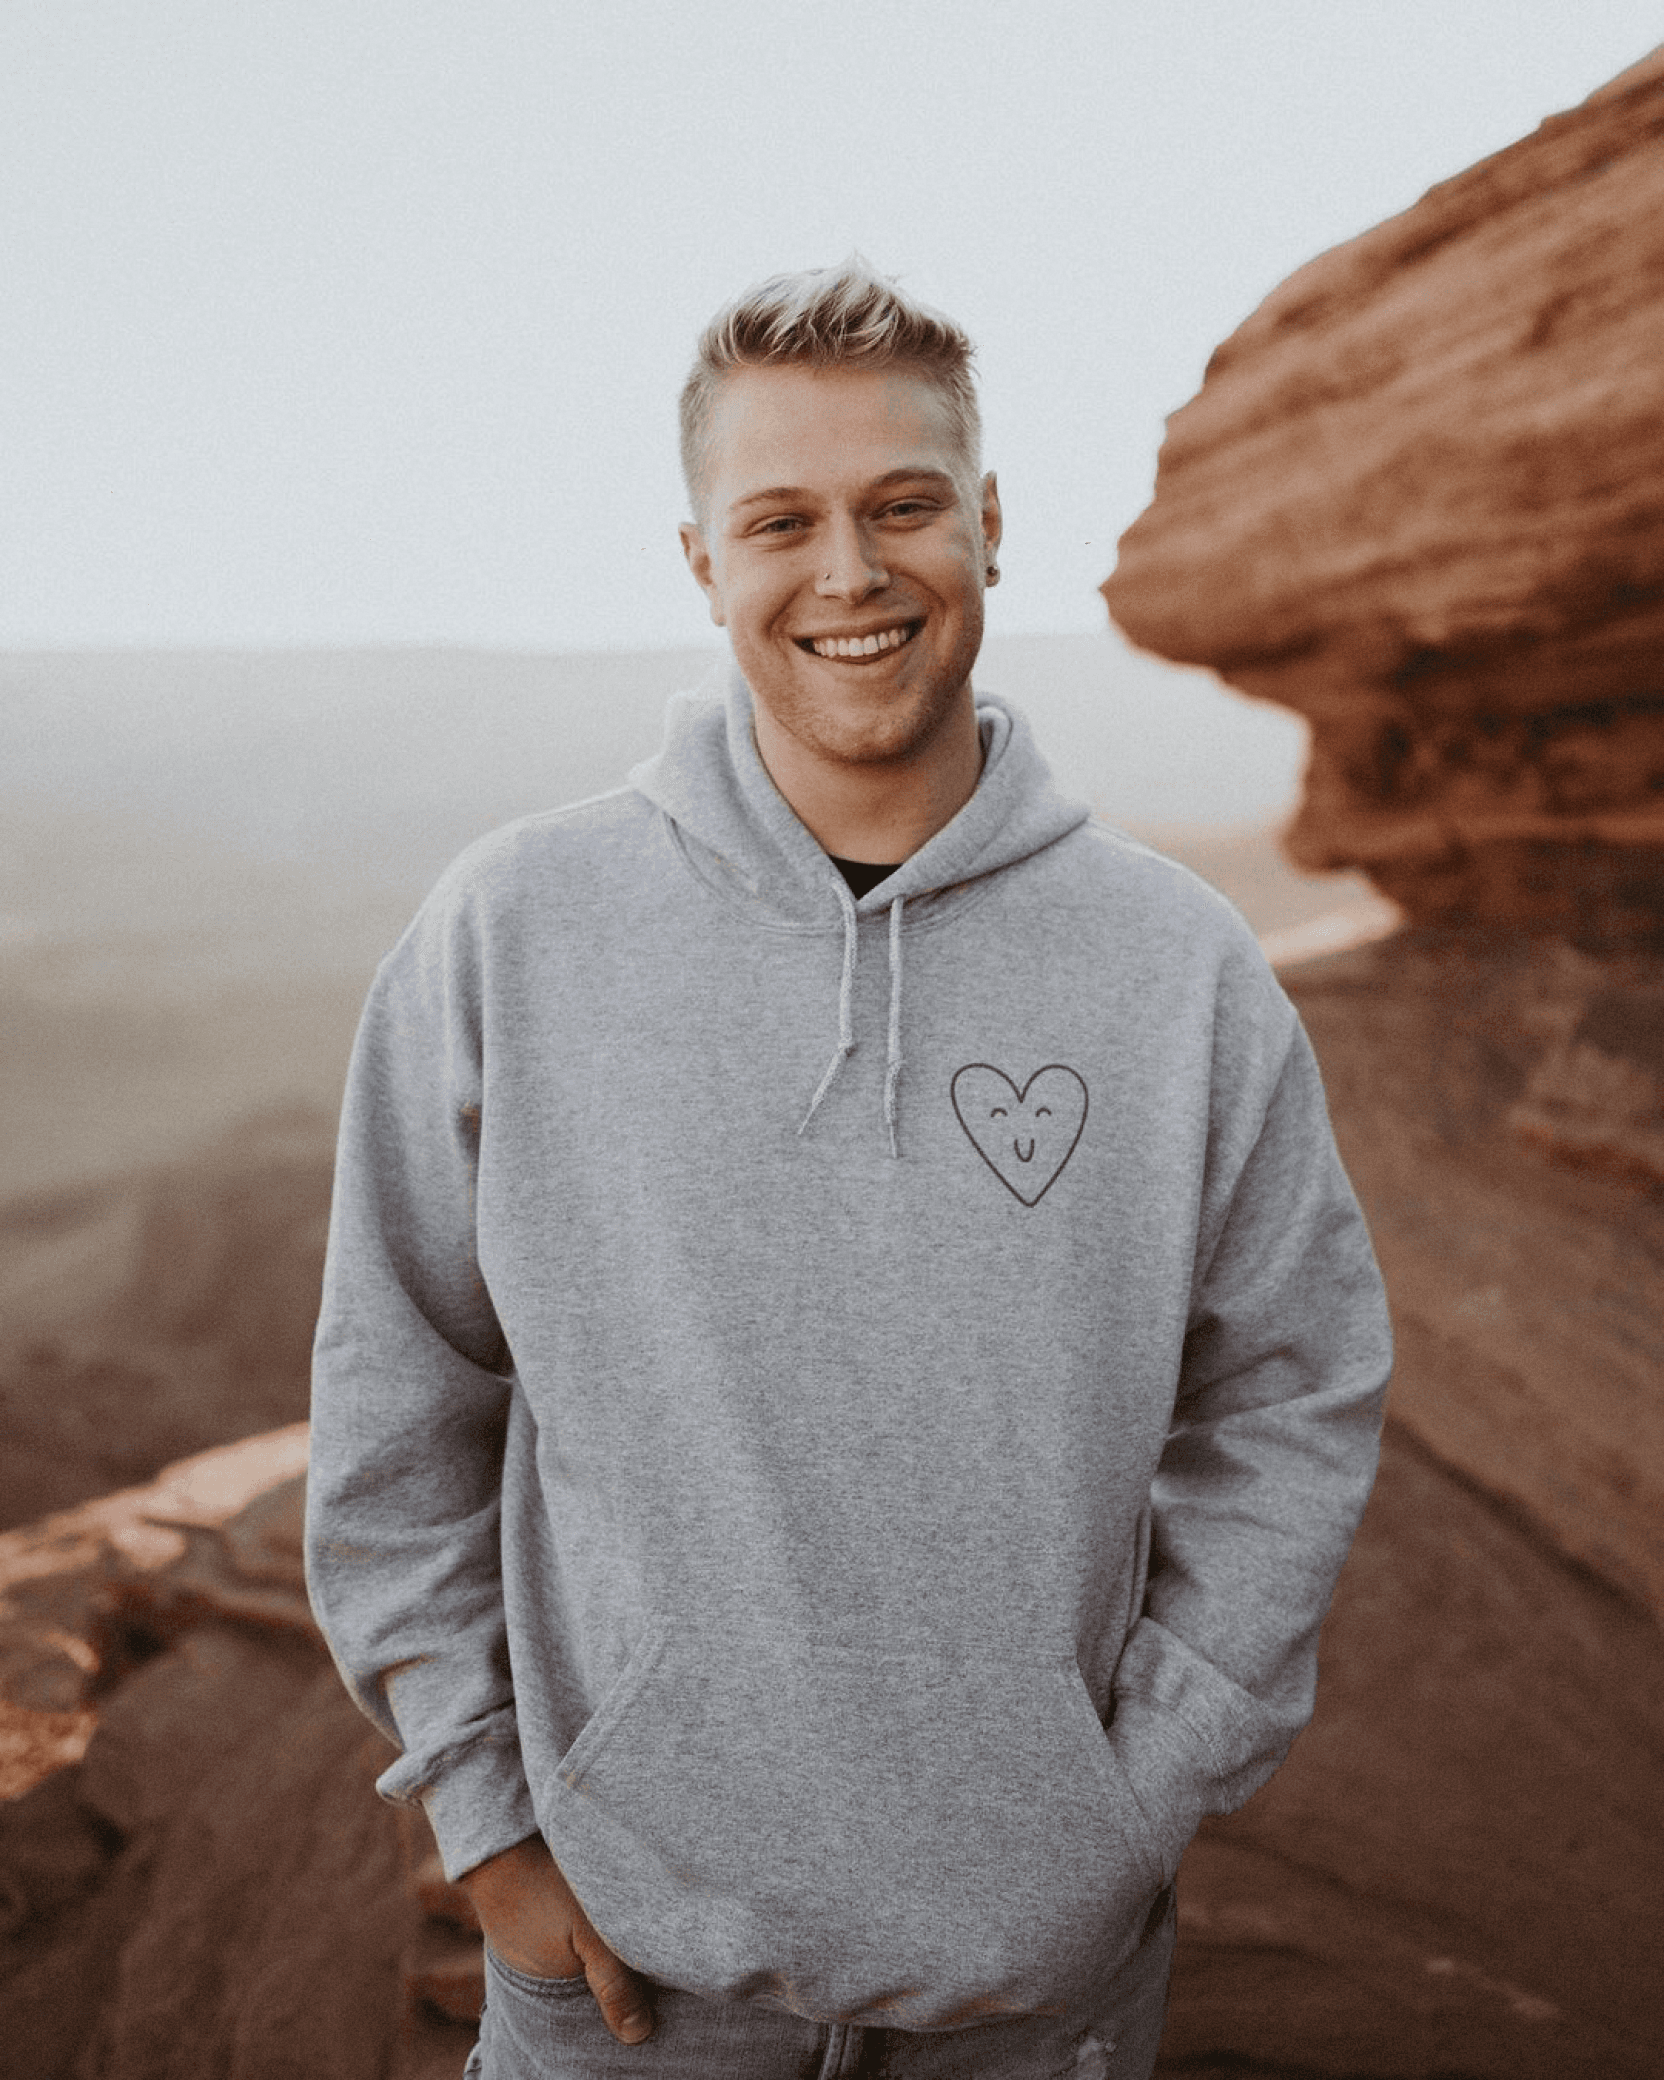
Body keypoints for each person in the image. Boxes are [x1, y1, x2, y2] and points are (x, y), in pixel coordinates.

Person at [305, 258, 1393, 2080]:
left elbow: (1298, 1387)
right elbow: (398, 1387)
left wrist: (1132, 1800)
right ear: (701, 564)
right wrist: (487, 1827)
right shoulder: (513, 933)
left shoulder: (1173, 966)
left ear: (990, 524)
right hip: (627, 2001)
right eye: (781, 521)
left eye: (904, 506)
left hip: (1040, 1998)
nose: (851, 573)